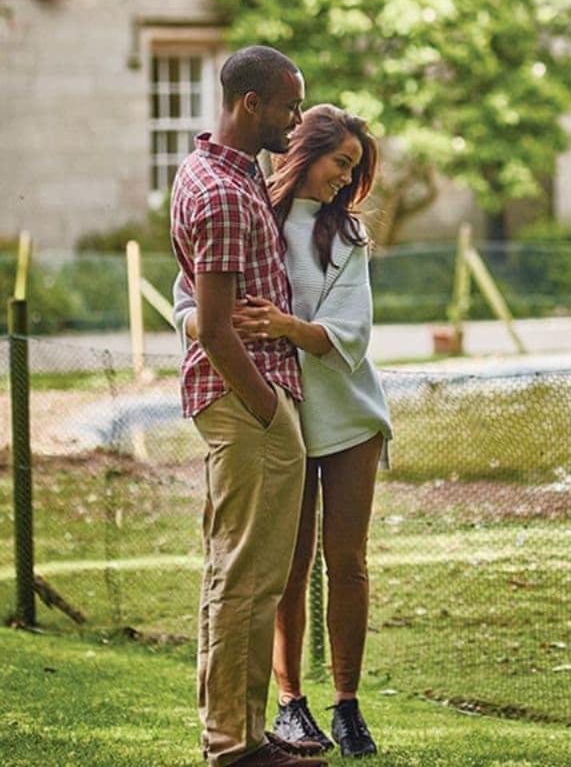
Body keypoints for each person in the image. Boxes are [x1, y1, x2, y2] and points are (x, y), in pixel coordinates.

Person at [176, 103, 393, 758]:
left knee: (346, 562)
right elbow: (189, 303)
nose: (345, 180)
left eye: (354, 171)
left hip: (349, 416)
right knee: (284, 566)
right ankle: (292, 703)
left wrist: (281, 326)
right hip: (283, 415)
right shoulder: (244, 211)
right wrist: (215, 331)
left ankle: (348, 704)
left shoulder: (346, 237)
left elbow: (349, 333)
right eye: (340, 163)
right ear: (306, 151)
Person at [170, 45, 327, 767]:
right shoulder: (227, 194)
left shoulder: (218, 173)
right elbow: (216, 322)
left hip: (249, 402)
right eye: (290, 105)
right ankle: (234, 746)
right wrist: (268, 409)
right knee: (247, 575)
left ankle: (237, 733)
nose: (297, 120)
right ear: (250, 103)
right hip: (247, 404)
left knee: (237, 570)